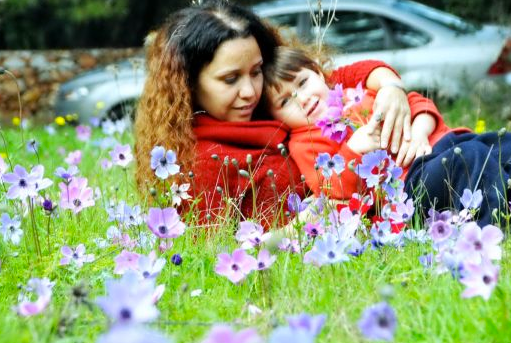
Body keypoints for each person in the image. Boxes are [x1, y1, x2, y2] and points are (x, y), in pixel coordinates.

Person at [133, 0, 415, 228]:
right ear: (189, 84)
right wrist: (314, 216)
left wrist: (391, 86)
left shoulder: (272, 102)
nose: (249, 91)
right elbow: (233, 252)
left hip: (399, 183)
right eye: (230, 79)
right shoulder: (199, 162)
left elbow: (337, 80)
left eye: (256, 72)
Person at [263, 46, 511, 227]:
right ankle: (493, 232)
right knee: (470, 161)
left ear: (319, 73)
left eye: (302, 82)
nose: (303, 99)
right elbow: (330, 187)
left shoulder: (355, 94)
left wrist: (420, 128)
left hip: (445, 142)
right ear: (277, 118)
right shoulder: (304, 142)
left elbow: (416, 102)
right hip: (409, 184)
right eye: (286, 101)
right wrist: (352, 150)